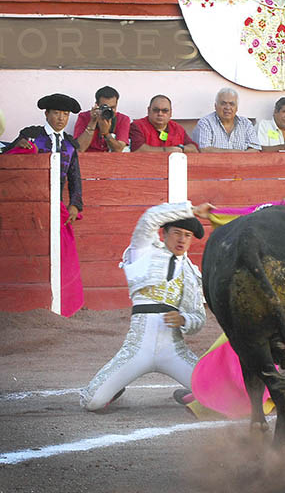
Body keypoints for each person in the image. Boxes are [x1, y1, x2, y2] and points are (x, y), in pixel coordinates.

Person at [80, 200, 213, 411]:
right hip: (137, 349)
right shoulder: (144, 250)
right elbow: (150, 217)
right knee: (92, 402)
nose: (182, 239)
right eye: (177, 233)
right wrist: (193, 210)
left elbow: (198, 318)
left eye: (187, 235)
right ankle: (115, 389)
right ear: (164, 233)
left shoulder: (191, 273)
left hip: (173, 350)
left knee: (219, 397)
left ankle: (190, 395)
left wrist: (183, 319)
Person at [4, 93, 83, 221]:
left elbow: (75, 177)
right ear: (47, 114)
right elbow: (6, 158)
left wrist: (75, 204)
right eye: (56, 113)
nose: (61, 118)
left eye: (65, 114)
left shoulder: (70, 145)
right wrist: (17, 147)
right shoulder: (31, 135)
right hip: (27, 198)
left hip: (57, 201)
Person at [192, 87, 262, 152]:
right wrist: (235, 153)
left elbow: (255, 149)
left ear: (236, 108)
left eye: (232, 104)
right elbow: (204, 149)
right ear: (215, 106)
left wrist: (240, 157)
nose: (228, 107)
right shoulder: (205, 123)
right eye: (223, 103)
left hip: (243, 161)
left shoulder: (246, 124)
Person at [130, 95, 199, 153]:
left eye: (165, 111)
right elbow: (137, 150)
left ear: (170, 113)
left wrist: (181, 148)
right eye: (156, 110)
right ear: (148, 110)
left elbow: (194, 149)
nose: (160, 114)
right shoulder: (137, 126)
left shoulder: (177, 128)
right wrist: (166, 150)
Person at [73, 85, 131, 152]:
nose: (109, 111)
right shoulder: (84, 117)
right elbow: (80, 149)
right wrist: (92, 122)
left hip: (112, 158)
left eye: (112, 107)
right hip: (88, 157)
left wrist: (106, 133)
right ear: (97, 105)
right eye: (105, 107)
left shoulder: (123, 119)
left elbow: (119, 149)